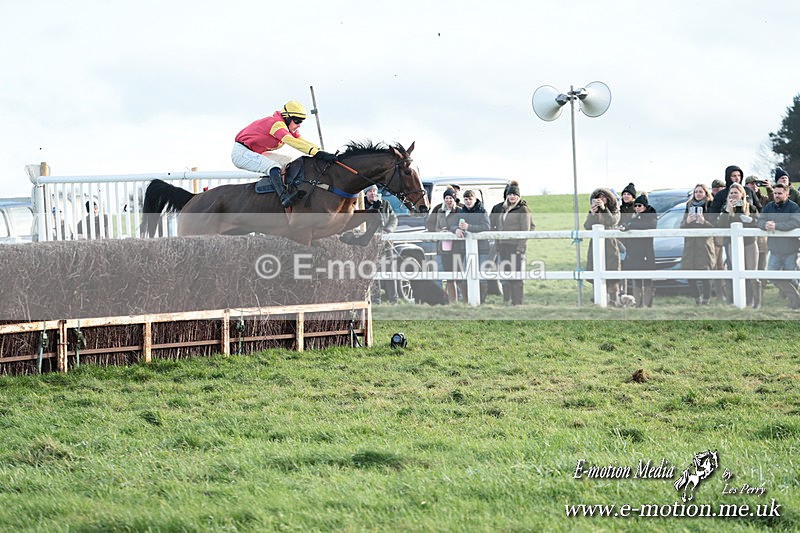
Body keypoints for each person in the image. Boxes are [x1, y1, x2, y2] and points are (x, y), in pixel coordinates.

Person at [232, 100, 337, 207]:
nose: (299, 125)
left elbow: (302, 141)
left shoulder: (287, 127)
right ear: (286, 117)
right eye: (297, 121)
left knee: (287, 161)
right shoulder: (276, 124)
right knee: (274, 166)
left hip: (256, 153)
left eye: (301, 121)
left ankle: (287, 190)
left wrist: (321, 151)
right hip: (242, 153)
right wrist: (316, 153)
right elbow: (292, 142)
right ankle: (283, 197)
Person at [715, 182, 760, 307]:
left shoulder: (751, 208)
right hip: (731, 244)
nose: (734, 195)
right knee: (733, 271)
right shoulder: (726, 208)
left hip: (749, 243)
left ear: (742, 194)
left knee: (751, 273)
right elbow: (720, 225)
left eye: (736, 192)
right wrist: (727, 210)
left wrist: (751, 220)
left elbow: (759, 223)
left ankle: (755, 301)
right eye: (731, 193)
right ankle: (733, 300)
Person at [758, 182, 800, 309]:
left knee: (792, 278)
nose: (776, 195)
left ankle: (794, 301)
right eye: (775, 193)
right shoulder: (769, 206)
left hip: (790, 249)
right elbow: (760, 220)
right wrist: (764, 225)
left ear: (787, 194)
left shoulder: (794, 207)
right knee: (772, 275)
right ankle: (795, 298)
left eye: (780, 193)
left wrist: (777, 226)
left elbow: (796, 222)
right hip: (775, 250)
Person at [490, 182, 533, 305]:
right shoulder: (504, 209)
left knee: (516, 274)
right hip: (503, 245)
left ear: (518, 196)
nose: (512, 197)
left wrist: (520, 247)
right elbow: (499, 228)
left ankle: (517, 301)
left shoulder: (523, 209)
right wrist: (497, 244)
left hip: (515, 246)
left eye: (514, 194)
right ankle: (506, 299)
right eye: (510, 194)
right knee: (505, 273)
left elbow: (526, 229)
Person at [584, 188, 622, 306]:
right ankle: (598, 301)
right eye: (598, 198)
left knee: (612, 273)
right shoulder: (594, 211)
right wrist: (592, 214)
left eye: (603, 197)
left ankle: (614, 301)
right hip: (595, 246)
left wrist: (605, 209)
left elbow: (612, 221)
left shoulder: (615, 210)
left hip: (610, 246)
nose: (600, 200)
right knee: (595, 271)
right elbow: (587, 226)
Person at [680, 184, 716, 305]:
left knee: (705, 273)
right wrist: (687, 221)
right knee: (690, 273)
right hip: (690, 245)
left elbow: (715, 225)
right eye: (696, 192)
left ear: (706, 193)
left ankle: (706, 299)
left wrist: (703, 222)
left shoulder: (710, 205)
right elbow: (681, 225)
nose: (698, 194)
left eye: (701, 191)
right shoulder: (688, 205)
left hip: (704, 244)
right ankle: (696, 298)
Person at [619, 194, 657, 307]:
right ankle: (638, 305)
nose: (637, 208)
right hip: (636, 253)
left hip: (647, 253)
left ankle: (647, 304)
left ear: (645, 206)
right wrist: (627, 225)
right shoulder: (635, 218)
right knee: (637, 279)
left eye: (640, 205)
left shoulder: (651, 216)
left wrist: (631, 225)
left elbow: (650, 225)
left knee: (648, 280)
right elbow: (629, 224)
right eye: (635, 206)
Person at [425, 188, 462, 303]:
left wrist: (451, 231)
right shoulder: (440, 211)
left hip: (457, 247)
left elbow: (461, 225)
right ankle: (451, 300)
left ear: (454, 198)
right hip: (443, 247)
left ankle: (464, 299)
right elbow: (435, 226)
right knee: (448, 276)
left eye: (450, 198)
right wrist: (440, 232)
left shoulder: (459, 211)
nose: (448, 200)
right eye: (446, 198)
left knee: (458, 275)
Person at [454, 189, 491, 303]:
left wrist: (469, 227)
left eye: (470, 199)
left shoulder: (482, 211)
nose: (468, 201)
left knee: (481, 275)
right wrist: (455, 230)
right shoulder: (461, 212)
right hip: (466, 249)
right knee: (466, 274)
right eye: (466, 199)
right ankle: (468, 300)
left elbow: (486, 227)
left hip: (482, 249)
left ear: (475, 200)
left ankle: (481, 301)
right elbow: (453, 225)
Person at [364, 185, 399, 305]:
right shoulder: (362, 205)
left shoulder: (385, 204)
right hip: (370, 244)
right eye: (370, 191)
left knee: (390, 271)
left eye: (374, 191)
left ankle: (393, 299)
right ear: (366, 194)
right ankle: (376, 299)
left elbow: (394, 219)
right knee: (373, 271)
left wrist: (388, 230)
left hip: (386, 244)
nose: (372, 193)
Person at [618, 182, 637, 296]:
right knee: (622, 268)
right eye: (624, 194)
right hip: (621, 242)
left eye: (628, 194)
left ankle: (635, 293)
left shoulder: (636, 208)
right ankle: (623, 293)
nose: (625, 196)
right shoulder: (619, 209)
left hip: (633, 242)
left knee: (633, 267)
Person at [710, 179, 727, 301]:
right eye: (716, 189)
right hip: (715, 238)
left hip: (726, 237)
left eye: (720, 189)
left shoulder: (726, 200)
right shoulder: (710, 202)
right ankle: (719, 293)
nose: (718, 191)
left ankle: (725, 292)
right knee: (717, 266)